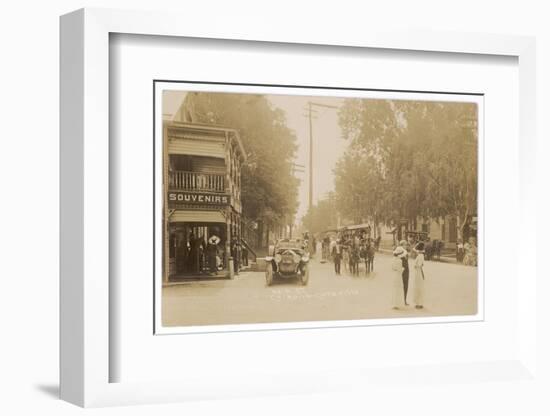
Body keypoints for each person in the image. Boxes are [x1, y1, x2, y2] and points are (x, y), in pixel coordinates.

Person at [413, 242, 426, 309]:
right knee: (418, 287)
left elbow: (419, 265)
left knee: (419, 287)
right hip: (418, 272)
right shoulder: (420, 255)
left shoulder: (420, 256)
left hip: (418, 272)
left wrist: (415, 265)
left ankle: (419, 303)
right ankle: (418, 302)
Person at [399, 240, 410, 305]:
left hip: (406, 270)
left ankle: (404, 300)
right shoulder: (399, 252)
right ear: (402, 245)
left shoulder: (405, 252)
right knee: (401, 285)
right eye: (405, 245)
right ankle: (401, 300)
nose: (406, 246)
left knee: (406, 285)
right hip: (402, 270)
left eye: (406, 245)